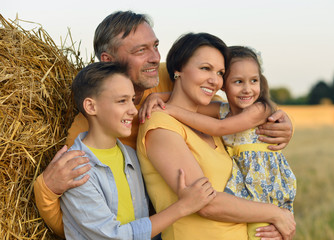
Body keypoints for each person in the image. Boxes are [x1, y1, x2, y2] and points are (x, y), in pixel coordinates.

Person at [33, 10, 294, 238]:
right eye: (141, 50)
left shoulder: (163, 78)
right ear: (108, 60)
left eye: (155, 46)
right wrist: (46, 189)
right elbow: (81, 223)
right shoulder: (87, 128)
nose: (155, 57)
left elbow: (225, 106)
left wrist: (277, 119)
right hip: (153, 226)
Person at [136, 32, 296, 240]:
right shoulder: (161, 125)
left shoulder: (219, 124)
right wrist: (277, 214)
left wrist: (276, 227)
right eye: (205, 68)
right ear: (178, 70)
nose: (214, 81)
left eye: (220, 73)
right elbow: (206, 203)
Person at [59, 61, 216, 239]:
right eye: (122, 101)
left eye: (132, 100)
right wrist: (183, 207)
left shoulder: (132, 156)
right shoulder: (76, 171)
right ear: (91, 107)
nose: (133, 110)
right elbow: (114, 236)